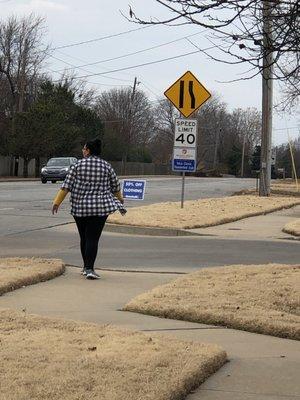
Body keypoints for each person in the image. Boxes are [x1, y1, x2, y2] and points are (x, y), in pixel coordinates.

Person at [52, 138, 126, 280]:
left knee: (84, 237)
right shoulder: (106, 166)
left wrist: (57, 202)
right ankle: (89, 268)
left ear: (88, 151)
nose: (82, 151)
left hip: (80, 208)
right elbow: (115, 186)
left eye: (84, 149)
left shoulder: (77, 165)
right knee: (93, 238)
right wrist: (120, 199)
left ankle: (86, 267)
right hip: (100, 208)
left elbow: (66, 186)